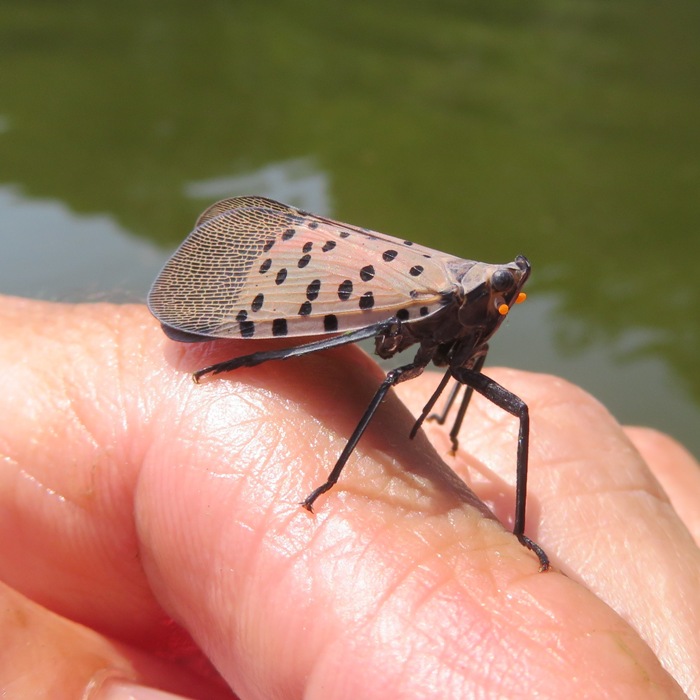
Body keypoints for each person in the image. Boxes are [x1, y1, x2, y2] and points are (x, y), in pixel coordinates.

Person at [0, 295, 697, 699]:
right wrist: (329, 482)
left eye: (505, 304)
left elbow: (458, 368)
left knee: (504, 407)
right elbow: (402, 366)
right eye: (498, 300)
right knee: (376, 376)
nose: (499, 314)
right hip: (361, 307)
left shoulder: (471, 333)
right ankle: (312, 445)